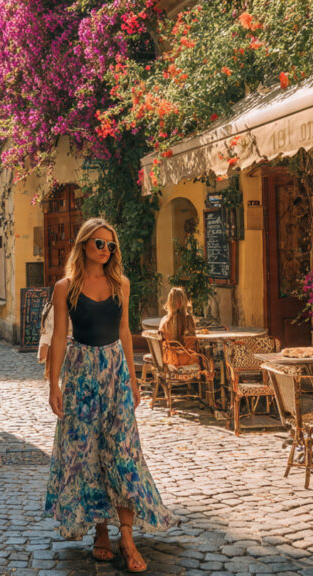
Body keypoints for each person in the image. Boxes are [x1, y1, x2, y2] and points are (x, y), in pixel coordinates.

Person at [45, 218, 178, 573]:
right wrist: (53, 383)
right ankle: (100, 531)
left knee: (123, 454)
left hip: (115, 374)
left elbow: (123, 332)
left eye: (111, 246)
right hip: (81, 376)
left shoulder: (121, 284)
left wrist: (134, 380)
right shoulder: (66, 287)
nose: (106, 251)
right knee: (88, 455)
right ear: (84, 245)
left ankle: (127, 536)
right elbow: (60, 337)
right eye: (100, 244)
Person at [158, 287, 200, 366]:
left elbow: (161, 342)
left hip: (167, 359)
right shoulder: (187, 318)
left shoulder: (164, 320)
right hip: (183, 358)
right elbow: (190, 342)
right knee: (203, 356)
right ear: (181, 302)